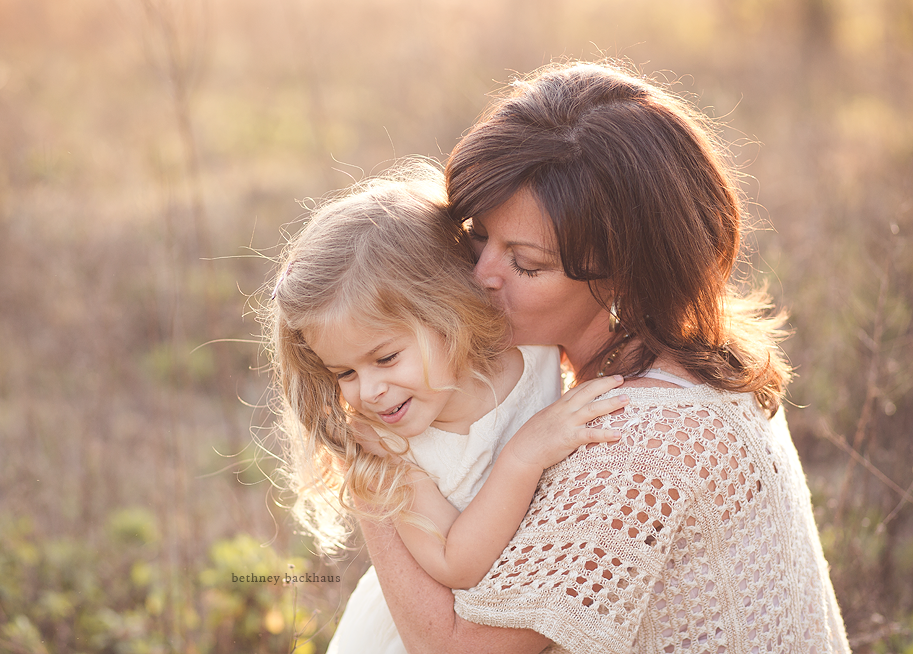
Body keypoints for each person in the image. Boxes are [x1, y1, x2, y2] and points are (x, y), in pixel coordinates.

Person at [357, 62, 852, 653]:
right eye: (478, 235)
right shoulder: (699, 360)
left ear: (624, 273)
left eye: (526, 263)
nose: (482, 274)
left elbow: (455, 649)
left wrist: (370, 470)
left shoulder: (636, 440)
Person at [264, 163, 625, 653]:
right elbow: (456, 562)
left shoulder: (527, 341)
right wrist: (525, 455)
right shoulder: (389, 448)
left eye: (385, 357)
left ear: (451, 311)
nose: (368, 391)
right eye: (344, 373)